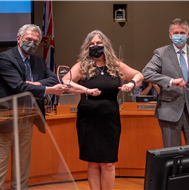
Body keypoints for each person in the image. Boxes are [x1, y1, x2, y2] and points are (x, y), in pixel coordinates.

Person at [0, 24, 68, 190]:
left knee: (22, 167)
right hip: (4, 119)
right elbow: (19, 87)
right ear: (19, 39)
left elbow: (53, 78)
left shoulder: (37, 60)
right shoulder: (5, 58)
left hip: (27, 118)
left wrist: (37, 83)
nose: (32, 44)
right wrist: (48, 89)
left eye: (35, 42)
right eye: (28, 40)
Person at [63, 30, 143, 190]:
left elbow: (138, 75)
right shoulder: (82, 66)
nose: (95, 46)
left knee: (108, 163)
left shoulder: (115, 65)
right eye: (92, 44)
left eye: (98, 43)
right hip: (88, 118)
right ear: (87, 47)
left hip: (110, 119)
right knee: (93, 163)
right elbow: (65, 82)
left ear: (105, 45)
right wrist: (85, 90)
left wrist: (131, 84)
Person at [142, 18, 189, 148]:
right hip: (169, 113)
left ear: (188, 34)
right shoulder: (161, 53)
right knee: (173, 156)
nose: (179, 36)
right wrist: (171, 81)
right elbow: (146, 72)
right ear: (170, 35)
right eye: (176, 33)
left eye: (182, 32)